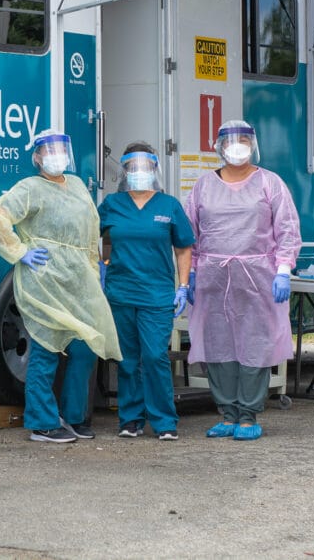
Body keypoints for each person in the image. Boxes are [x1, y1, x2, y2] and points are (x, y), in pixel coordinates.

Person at [0, 130, 122, 443]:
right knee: (46, 350)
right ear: (37, 157)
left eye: (60, 148)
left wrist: (94, 265)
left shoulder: (76, 185)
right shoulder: (29, 188)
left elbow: (91, 229)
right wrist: (20, 251)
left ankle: (74, 417)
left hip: (77, 281)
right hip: (44, 281)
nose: (56, 154)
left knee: (85, 349)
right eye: (48, 150)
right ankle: (42, 423)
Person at [186, 120, 301, 441]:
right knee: (217, 344)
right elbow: (188, 234)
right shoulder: (202, 187)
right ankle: (227, 412)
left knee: (255, 345)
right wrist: (190, 274)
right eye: (230, 142)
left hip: (258, 280)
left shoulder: (270, 183)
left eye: (244, 141)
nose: (237, 148)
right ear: (219, 147)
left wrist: (282, 271)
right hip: (212, 280)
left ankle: (248, 415)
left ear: (253, 145)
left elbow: (288, 230)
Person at [98, 143, 194, 441]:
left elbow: (183, 248)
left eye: (145, 166)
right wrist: (100, 267)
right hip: (121, 292)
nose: (139, 172)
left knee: (154, 356)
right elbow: (92, 237)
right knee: (127, 360)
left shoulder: (169, 206)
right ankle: (130, 419)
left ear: (154, 169)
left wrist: (183, 286)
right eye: (133, 167)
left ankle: (164, 421)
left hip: (157, 295)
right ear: (124, 171)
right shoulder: (112, 204)